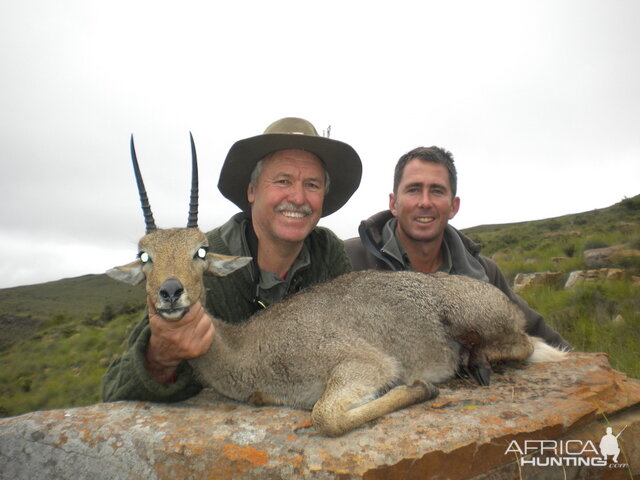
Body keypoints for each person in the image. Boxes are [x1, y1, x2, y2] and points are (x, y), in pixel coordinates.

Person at [102, 117, 362, 402]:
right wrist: (161, 358)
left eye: (312, 185)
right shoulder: (198, 261)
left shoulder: (329, 253)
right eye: (283, 181)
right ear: (252, 191)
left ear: (323, 196)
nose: (298, 197)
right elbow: (116, 390)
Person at [344, 146, 571, 350]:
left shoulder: (483, 272)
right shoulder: (349, 259)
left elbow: (535, 329)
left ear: (453, 206)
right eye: (413, 190)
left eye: (437, 191)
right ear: (394, 203)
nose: (425, 202)